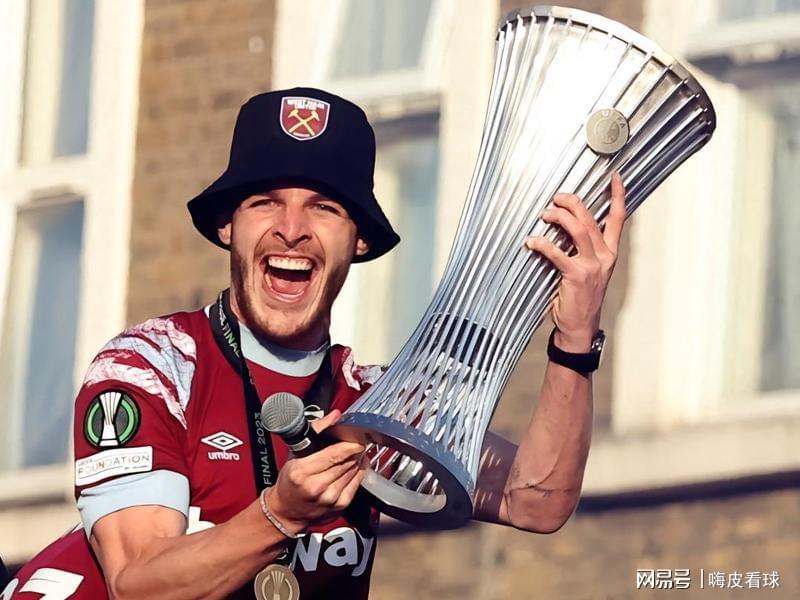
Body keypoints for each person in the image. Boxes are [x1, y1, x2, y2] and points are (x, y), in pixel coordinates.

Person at [3, 87, 625, 600]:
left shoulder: (374, 400)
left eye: (324, 207)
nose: (292, 230)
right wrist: (280, 514)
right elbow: (140, 585)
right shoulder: (153, 366)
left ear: (359, 239)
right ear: (227, 225)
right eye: (264, 202)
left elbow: (536, 500)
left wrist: (573, 341)